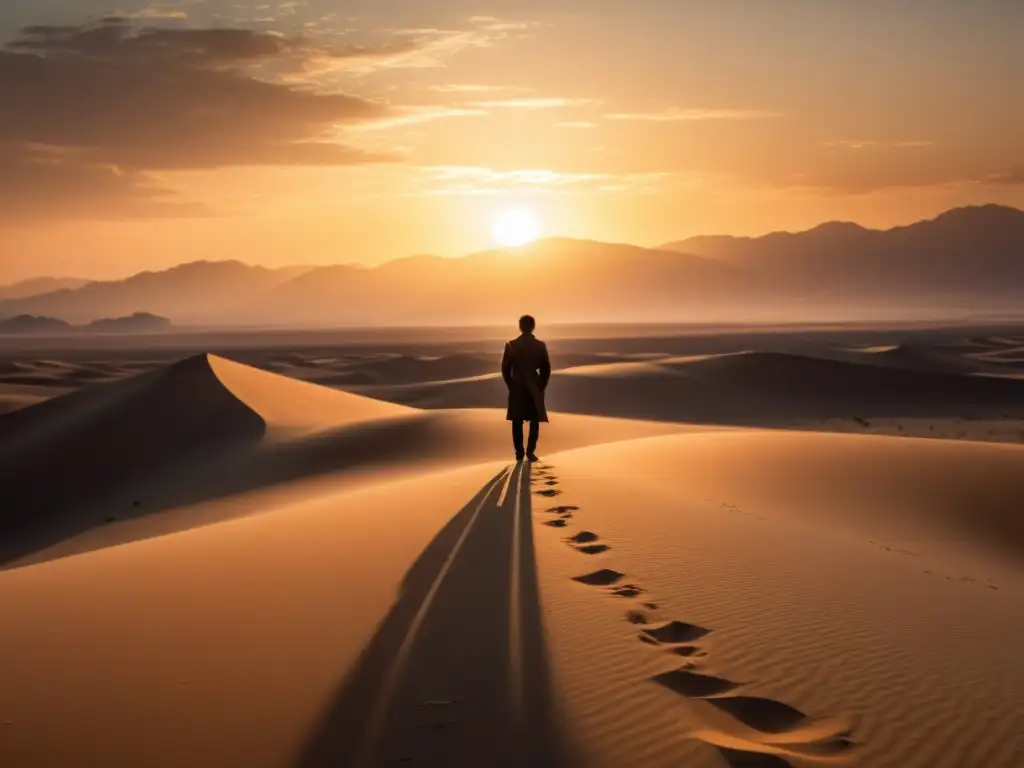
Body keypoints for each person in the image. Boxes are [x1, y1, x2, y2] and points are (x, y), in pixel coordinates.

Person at [501, 314, 551, 462]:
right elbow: (546, 369)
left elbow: (505, 370)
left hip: (517, 386)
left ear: (520, 327)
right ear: (533, 327)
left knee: (517, 421)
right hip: (534, 386)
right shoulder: (540, 345)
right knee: (534, 421)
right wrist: (541, 386)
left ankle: (519, 453)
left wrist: (511, 385)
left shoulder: (511, 344)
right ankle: (530, 452)